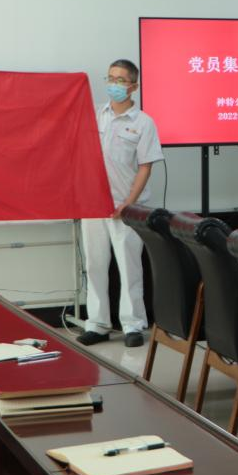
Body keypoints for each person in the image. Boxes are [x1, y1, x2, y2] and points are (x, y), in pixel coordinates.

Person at [78, 59, 164, 347]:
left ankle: (133, 324)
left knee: (129, 266)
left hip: (127, 207)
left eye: (121, 80)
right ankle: (97, 323)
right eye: (111, 78)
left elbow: (145, 167)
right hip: (93, 204)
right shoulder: (94, 115)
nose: (114, 84)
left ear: (133, 86)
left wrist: (128, 203)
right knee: (95, 264)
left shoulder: (143, 123)